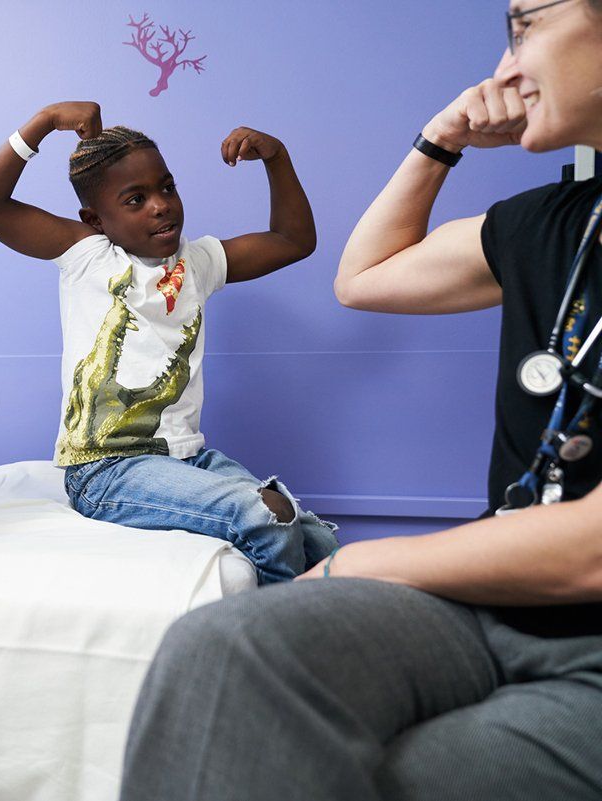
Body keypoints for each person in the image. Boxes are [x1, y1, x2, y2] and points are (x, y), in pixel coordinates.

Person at [119, 2, 602, 798]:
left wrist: (357, 561)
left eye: (527, 25)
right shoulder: (554, 227)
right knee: (220, 647)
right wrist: (437, 143)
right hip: (489, 609)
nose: (507, 68)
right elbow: (363, 277)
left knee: (408, 774)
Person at [0, 105, 338, 584]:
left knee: (318, 540)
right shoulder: (87, 255)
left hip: (187, 457)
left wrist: (276, 157)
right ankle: (269, 645)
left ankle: (334, 638)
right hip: (106, 469)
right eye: (135, 199)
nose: (161, 205)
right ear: (94, 219)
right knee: (267, 514)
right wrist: (44, 121)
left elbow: (292, 239)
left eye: (167, 187)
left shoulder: (198, 262)